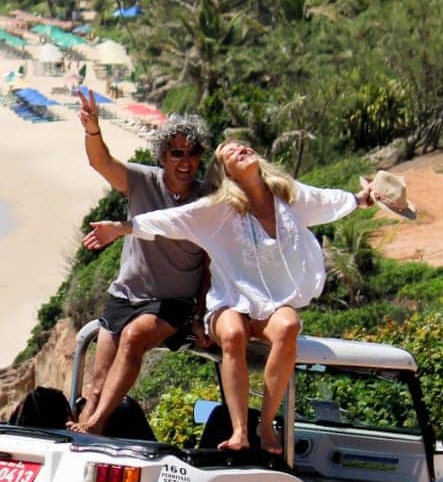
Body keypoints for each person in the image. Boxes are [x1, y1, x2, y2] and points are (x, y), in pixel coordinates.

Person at [85, 141, 383, 453]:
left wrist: (362, 199)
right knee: (233, 333)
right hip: (229, 301)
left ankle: (264, 426)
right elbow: (172, 219)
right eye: (230, 152)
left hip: (271, 304)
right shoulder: (218, 209)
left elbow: (328, 200)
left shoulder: (288, 196)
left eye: (243, 146)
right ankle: (239, 430)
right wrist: (121, 228)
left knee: (289, 326)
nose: (240, 149)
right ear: (225, 172)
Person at [71, 90, 213, 435]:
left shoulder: (207, 199)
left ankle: (96, 424)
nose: (185, 161)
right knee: (95, 385)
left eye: (192, 153)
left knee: (134, 337)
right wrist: (93, 130)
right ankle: (83, 439)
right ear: (162, 156)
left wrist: (199, 314)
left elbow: (211, 262)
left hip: (172, 303)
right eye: (176, 153)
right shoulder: (142, 181)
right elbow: (101, 162)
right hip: (127, 294)